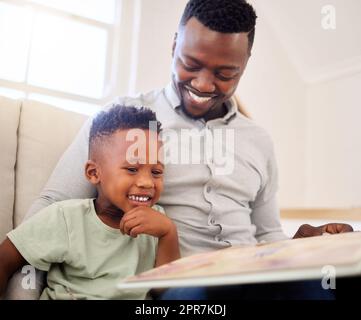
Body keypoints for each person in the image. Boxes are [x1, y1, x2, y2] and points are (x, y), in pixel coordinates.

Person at [6, 0, 353, 300]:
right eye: (191, 64)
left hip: (253, 274)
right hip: (180, 281)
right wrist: (23, 288)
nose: (203, 84)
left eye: (225, 73)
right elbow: (53, 207)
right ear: (174, 45)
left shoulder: (258, 139)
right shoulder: (125, 123)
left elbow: (266, 234)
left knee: (323, 285)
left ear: (245, 63)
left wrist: (301, 244)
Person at [0, 105, 180, 299]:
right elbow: (5, 260)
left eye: (156, 172)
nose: (147, 183)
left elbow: (164, 289)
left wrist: (168, 234)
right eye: (132, 169)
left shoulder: (158, 224)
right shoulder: (66, 218)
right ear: (94, 173)